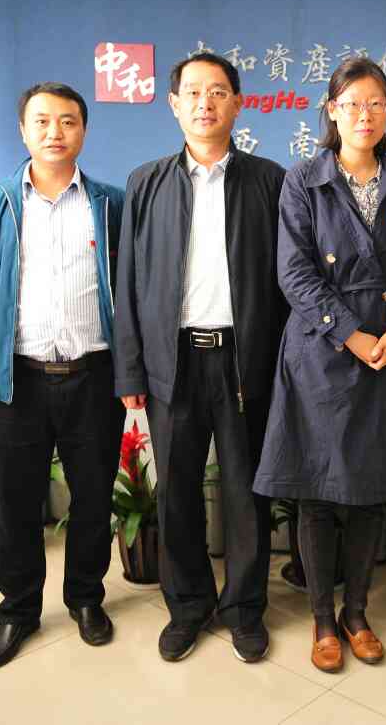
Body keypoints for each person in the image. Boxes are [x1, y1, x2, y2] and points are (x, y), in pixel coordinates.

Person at [253, 58, 386, 673]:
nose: (364, 114)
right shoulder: (304, 179)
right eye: (352, 103)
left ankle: (358, 613)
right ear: (332, 110)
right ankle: (323, 620)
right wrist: (352, 335)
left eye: (376, 103)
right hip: (321, 353)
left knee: (371, 494)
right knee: (319, 495)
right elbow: (293, 272)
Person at [113, 52, 287, 663]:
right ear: (174, 104)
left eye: (217, 91)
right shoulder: (146, 182)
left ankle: (245, 608)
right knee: (177, 493)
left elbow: (287, 281)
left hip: (244, 362)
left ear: (237, 103)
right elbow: (129, 282)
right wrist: (131, 368)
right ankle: (187, 606)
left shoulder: (269, 181)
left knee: (246, 493)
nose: (205, 103)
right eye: (192, 92)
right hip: (174, 363)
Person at [0, 82, 125, 668]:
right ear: (23, 130)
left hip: (93, 378)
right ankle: (18, 611)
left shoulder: (110, 204)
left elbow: (127, 285)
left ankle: (86, 598)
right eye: (42, 121)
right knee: (17, 503)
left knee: (93, 499)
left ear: (84, 130)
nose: (55, 132)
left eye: (68, 121)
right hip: (20, 381)